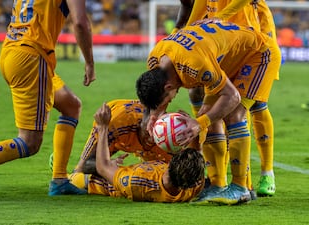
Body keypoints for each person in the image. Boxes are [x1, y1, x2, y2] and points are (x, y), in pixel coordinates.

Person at [0, 0, 95, 199]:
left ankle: (59, 180)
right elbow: (80, 22)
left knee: (71, 105)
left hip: (13, 50)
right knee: (30, 142)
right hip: (31, 57)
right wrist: (89, 63)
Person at [136, 20, 280, 205]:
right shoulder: (156, 59)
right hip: (228, 59)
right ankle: (218, 185)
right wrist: (154, 114)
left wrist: (199, 123)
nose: (169, 102)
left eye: (167, 101)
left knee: (233, 114)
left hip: (258, 54)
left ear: (169, 86)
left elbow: (233, 97)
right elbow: (160, 92)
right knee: (207, 112)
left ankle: (240, 188)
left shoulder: (195, 64)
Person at [174, 0, 279, 197]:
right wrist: (178, 40)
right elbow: (195, 12)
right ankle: (220, 182)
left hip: (253, 43)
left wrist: (219, 17)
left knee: (250, 107)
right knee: (215, 107)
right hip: (224, 44)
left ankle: (264, 174)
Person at [73, 102, 205, 203]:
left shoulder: (137, 181)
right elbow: (196, 155)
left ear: (169, 165)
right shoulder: (195, 185)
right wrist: (193, 131)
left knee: (77, 176)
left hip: (94, 182)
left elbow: (103, 168)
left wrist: (103, 127)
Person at [48, 99, 173, 186]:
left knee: (160, 173)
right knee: (81, 171)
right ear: (140, 125)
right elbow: (86, 165)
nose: (150, 138)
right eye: (147, 134)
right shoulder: (116, 124)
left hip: (139, 136)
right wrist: (109, 165)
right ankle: (60, 164)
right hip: (111, 126)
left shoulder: (167, 136)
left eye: (154, 135)